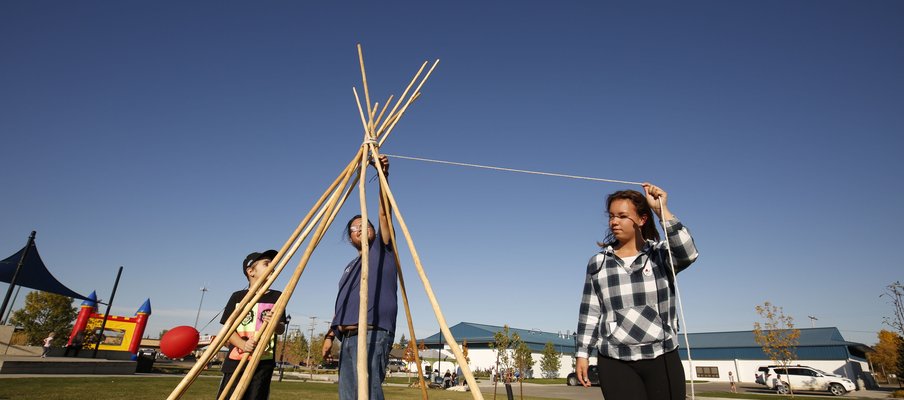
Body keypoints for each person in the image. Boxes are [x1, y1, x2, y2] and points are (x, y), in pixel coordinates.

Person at [575, 183, 698, 400]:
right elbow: (590, 312)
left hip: (662, 356)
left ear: (641, 219)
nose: (614, 222)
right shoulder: (598, 262)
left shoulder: (660, 254)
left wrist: (661, 211)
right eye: (611, 216)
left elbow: (688, 253)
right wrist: (582, 354)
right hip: (615, 360)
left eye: (622, 216)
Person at [323, 155, 397, 400]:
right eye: (354, 227)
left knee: (369, 394)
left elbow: (385, 215)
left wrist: (383, 176)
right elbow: (342, 304)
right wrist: (330, 336)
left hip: (373, 335)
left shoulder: (382, 251)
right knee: (348, 396)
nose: (360, 228)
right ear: (350, 237)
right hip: (348, 339)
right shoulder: (350, 267)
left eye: (365, 224)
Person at [217, 250, 287, 400]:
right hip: (236, 361)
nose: (273, 266)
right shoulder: (238, 297)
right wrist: (242, 345)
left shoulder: (278, 296)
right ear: (251, 271)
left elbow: (280, 328)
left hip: (262, 364)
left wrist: (274, 323)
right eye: (267, 264)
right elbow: (227, 330)